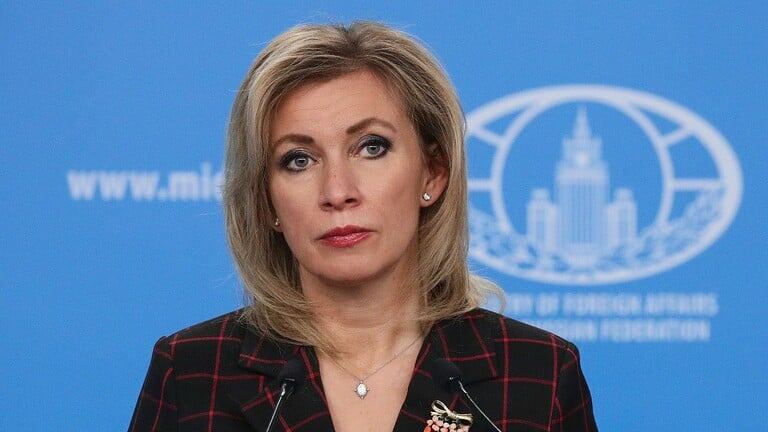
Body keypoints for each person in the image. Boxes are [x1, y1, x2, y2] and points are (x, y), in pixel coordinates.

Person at [128, 21, 598, 432]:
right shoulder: (191, 372)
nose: (337, 191)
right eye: (298, 159)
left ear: (433, 173)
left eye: (372, 147)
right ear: (265, 199)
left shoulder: (540, 373)